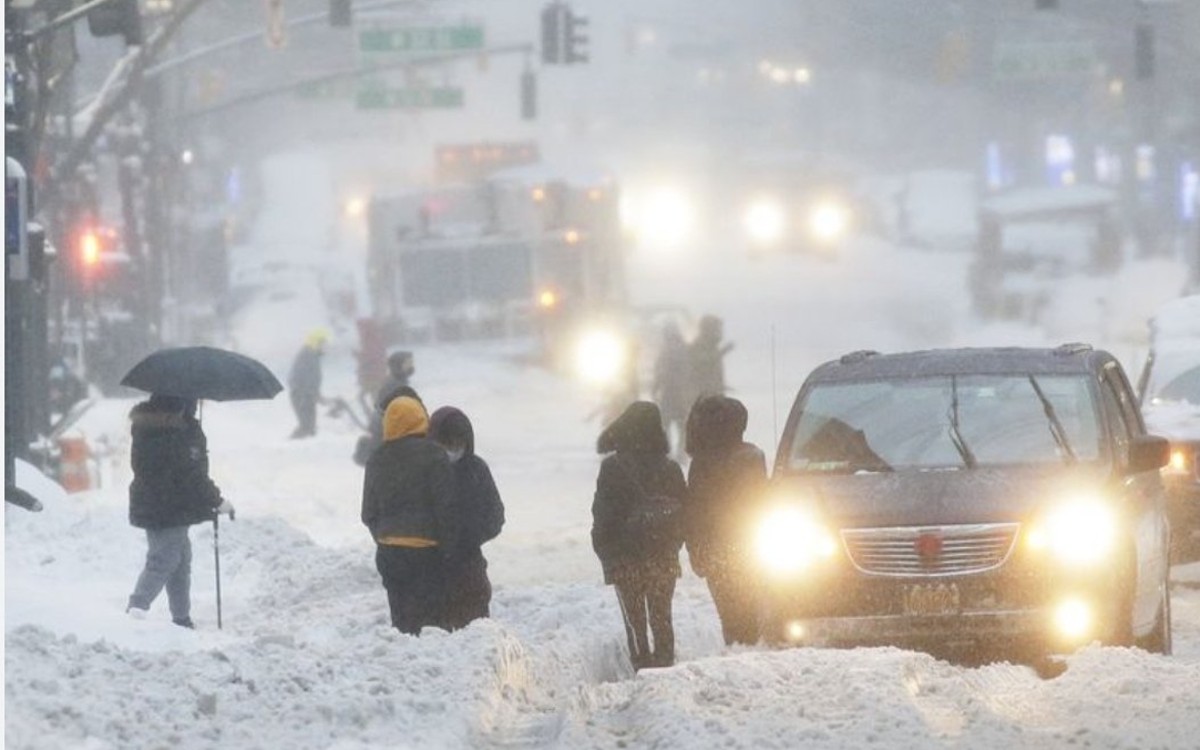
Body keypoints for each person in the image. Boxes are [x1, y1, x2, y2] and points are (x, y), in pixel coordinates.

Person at [591, 401, 687, 671]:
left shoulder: (613, 468)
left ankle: (642, 666)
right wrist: (672, 545)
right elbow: (684, 514)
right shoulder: (671, 468)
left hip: (626, 560)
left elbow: (603, 514)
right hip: (663, 559)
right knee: (661, 618)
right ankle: (666, 668)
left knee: (635, 623)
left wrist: (606, 553)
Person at [126, 394, 234, 627]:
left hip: (157, 502)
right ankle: (136, 608)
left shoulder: (147, 428)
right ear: (181, 404)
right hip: (169, 505)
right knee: (165, 559)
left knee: (179, 560)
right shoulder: (178, 434)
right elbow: (193, 475)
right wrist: (216, 501)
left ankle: (181, 617)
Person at [361, 396, 458, 635]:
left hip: (389, 553)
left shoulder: (376, 459)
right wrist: (448, 548)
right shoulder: (434, 455)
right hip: (427, 552)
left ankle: (404, 659)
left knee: (402, 621)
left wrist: (386, 536)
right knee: (432, 623)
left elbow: (368, 513)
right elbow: (445, 507)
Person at [684, 395, 768, 646]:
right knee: (749, 606)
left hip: (715, 547)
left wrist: (695, 550)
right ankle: (748, 644)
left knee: (728, 610)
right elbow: (761, 501)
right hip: (749, 544)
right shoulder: (752, 456)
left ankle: (735, 644)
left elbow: (695, 512)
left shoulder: (701, 462)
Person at [428, 406, 505, 629]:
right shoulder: (425, 471)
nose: (452, 450)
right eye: (445, 444)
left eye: (457, 444)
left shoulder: (476, 469)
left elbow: (495, 515)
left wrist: (467, 537)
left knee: (475, 634)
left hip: (469, 569)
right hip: (430, 571)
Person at [651, 321, 690, 456]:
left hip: (670, 393)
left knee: (667, 424)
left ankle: (669, 451)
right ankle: (680, 452)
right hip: (679, 393)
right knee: (681, 425)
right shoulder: (684, 349)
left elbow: (659, 372)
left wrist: (655, 388)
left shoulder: (667, 350)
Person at [288, 329, 328, 439]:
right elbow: (304, 378)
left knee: (309, 427)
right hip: (302, 395)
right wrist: (309, 393)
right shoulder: (307, 356)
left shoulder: (311, 355)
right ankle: (291, 445)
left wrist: (316, 394)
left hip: (305, 395)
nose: (325, 347)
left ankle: (296, 445)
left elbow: (312, 379)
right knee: (307, 426)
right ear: (315, 342)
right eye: (322, 344)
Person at [687, 315, 733, 404]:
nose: (720, 333)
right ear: (707, 330)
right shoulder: (698, 346)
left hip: (714, 397)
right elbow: (701, 365)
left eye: (719, 330)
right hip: (703, 400)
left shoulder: (712, 348)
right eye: (717, 330)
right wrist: (722, 352)